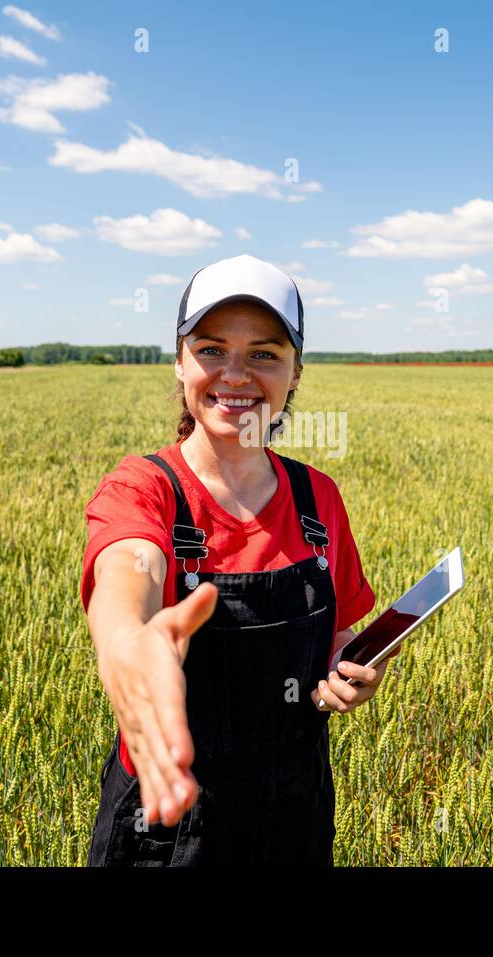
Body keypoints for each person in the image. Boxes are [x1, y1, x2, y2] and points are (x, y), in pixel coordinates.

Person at [81, 253, 394, 866]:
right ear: (178, 362)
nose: (235, 374)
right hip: (168, 829)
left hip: (294, 817)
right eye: (211, 348)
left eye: (264, 354)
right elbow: (128, 569)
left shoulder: (317, 499)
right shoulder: (144, 490)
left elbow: (340, 632)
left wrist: (348, 668)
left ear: (296, 371)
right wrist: (128, 644)